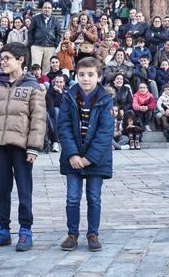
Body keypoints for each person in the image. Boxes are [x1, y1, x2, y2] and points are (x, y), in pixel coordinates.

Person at [0, 42, 47, 252]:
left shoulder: (32, 85)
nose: (3, 61)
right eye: (2, 58)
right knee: (1, 188)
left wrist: (34, 146)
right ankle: (3, 230)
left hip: (22, 147)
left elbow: (38, 118)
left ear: (21, 60)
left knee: (24, 188)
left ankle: (25, 230)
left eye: (7, 58)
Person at [56, 57, 113, 252]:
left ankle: (92, 233)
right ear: (76, 76)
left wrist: (89, 158)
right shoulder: (68, 97)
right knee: (72, 197)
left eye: (90, 75)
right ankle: (72, 233)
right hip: (73, 158)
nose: (85, 79)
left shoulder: (105, 100)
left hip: (96, 160)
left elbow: (105, 133)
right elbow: (63, 127)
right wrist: (72, 154)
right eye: (81, 75)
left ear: (99, 76)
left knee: (94, 198)